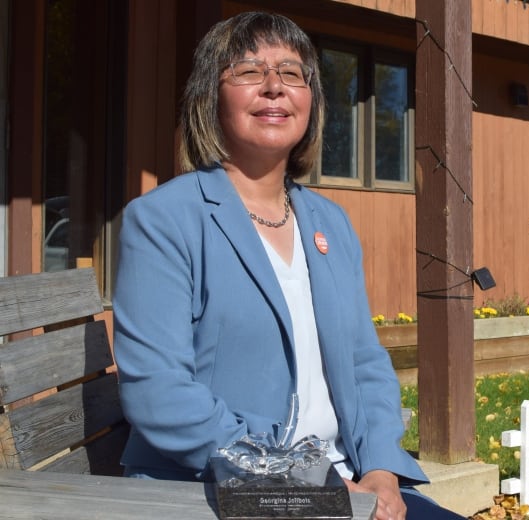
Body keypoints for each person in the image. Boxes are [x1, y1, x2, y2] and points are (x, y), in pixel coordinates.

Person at [112, 11, 465, 520]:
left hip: (349, 483)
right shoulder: (164, 219)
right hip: (216, 487)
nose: (274, 87)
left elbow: (365, 364)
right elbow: (158, 391)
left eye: (292, 73)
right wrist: (302, 481)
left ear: (311, 101)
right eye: (250, 71)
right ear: (210, 97)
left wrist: (383, 469)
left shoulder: (330, 221)